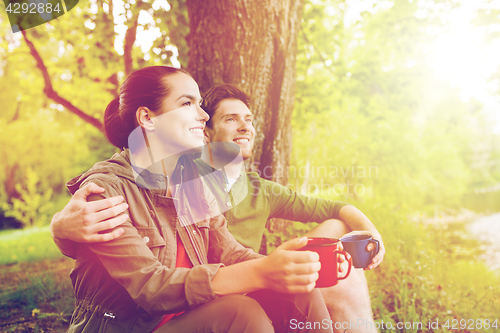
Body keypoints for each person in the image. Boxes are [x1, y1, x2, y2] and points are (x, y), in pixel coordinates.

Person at [52, 83, 385, 332]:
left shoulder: (205, 184)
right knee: (242, 313)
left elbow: (232, 250)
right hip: (145, 319)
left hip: (211, 296)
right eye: (190, 105)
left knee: (304, 292)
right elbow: (148, 285)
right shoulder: (111, 187)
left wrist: (291, 267)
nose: (201, 115)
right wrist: (61, 230)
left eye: (247, 120)